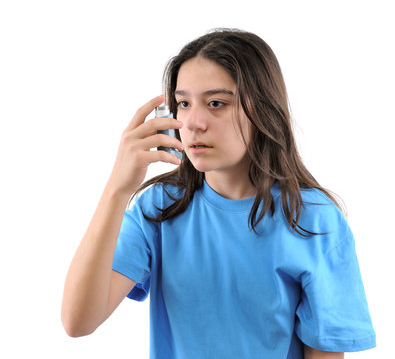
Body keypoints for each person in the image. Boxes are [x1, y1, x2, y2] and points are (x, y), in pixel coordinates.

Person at [61, 28, 376, 358]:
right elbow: (78, 322)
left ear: (264, 111)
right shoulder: (157, 209)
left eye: (216, 103)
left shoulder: (314, 219)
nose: (193, 122)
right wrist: (117, 188)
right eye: (183, 103)